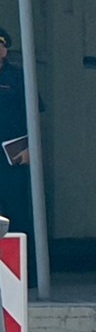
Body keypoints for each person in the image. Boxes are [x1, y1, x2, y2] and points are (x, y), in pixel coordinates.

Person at [0, 28, 30, 253]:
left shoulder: (18, 77)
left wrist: (31, 149)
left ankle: (23, 273)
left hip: (11, 157)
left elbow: (32, 114)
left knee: (15, 212)